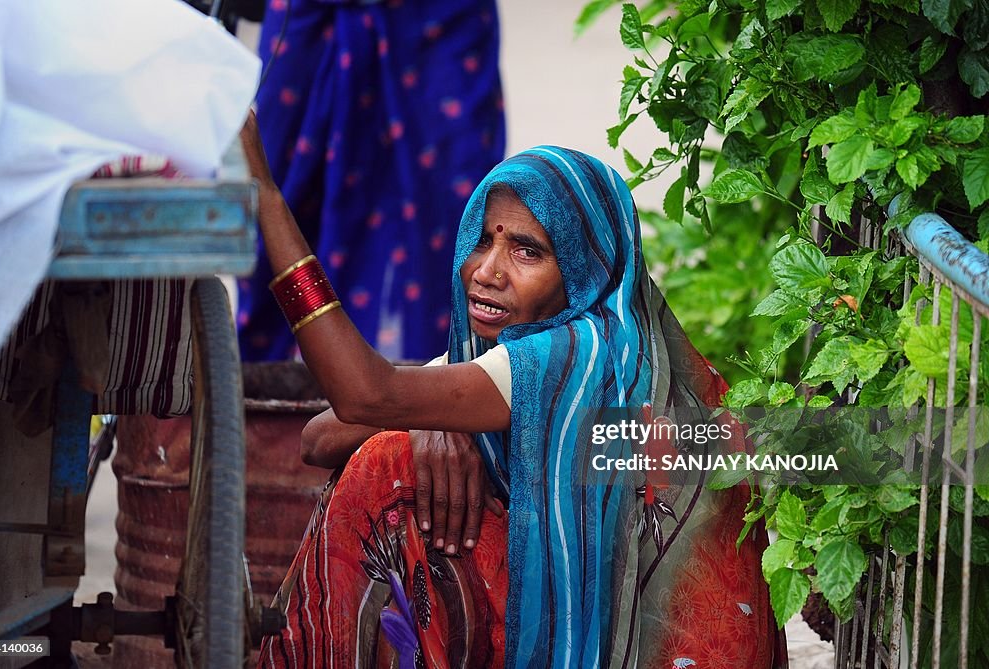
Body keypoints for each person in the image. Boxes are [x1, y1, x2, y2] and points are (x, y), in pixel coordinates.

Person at [240, 113, 787, 668]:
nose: (486, 271)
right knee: (397, 451)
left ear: (583, 270)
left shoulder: (571, 354)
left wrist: (265, 195)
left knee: (390, 471)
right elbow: (317, 440)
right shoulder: (586, 344)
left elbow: (363, 396)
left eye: (528, 251)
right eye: (481, 241)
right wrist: (430, 417)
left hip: (671, 648)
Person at [237, 0, 505, 363]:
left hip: (441, 21)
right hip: (312, 21)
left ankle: (441, 397)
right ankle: (269, 396)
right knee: (277, 201)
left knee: (449, 223)